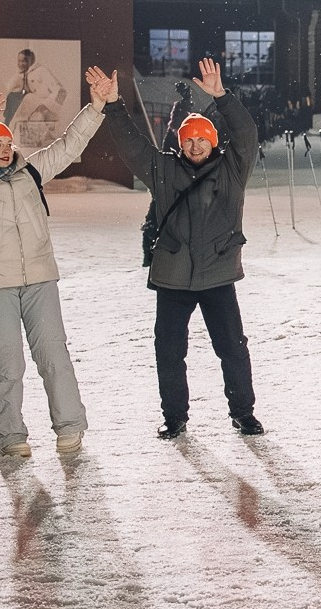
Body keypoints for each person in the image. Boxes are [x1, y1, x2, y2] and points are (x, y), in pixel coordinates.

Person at [0, 76, 109, 458]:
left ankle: (69, 427)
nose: (5, 148)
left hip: (40, 280)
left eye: (7, 142)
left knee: (53, 354)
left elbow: (69, 145)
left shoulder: (30, 172)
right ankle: (10, 436)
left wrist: (95, 107)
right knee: (7, 362)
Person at [97, 59, 265, 438]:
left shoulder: (233, 169)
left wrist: (221, 97)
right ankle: (175, 417)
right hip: (173, 274)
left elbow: (247, 133)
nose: (194, 144)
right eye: (188, 138)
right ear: (180, 141)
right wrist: (113, 106)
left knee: (233, 349)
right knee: (170, 352)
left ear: (213, 141)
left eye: (201, 138)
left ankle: (243, 412)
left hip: (218, 272)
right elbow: (130, 145)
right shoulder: (163, 169)